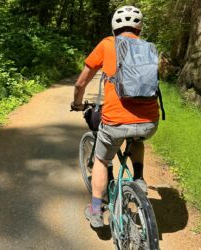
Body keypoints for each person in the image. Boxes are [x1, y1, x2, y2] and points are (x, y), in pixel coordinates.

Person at [71, 6, 160, 228]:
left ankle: (95, 210)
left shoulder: (107, 44)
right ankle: (138, 178)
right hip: (149, 121)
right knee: (137, 139)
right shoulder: (149, 48)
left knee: (102, 160)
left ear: (115, 26)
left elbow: (81, 82)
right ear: (139, 28)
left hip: (116, 123)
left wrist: (77, 103)